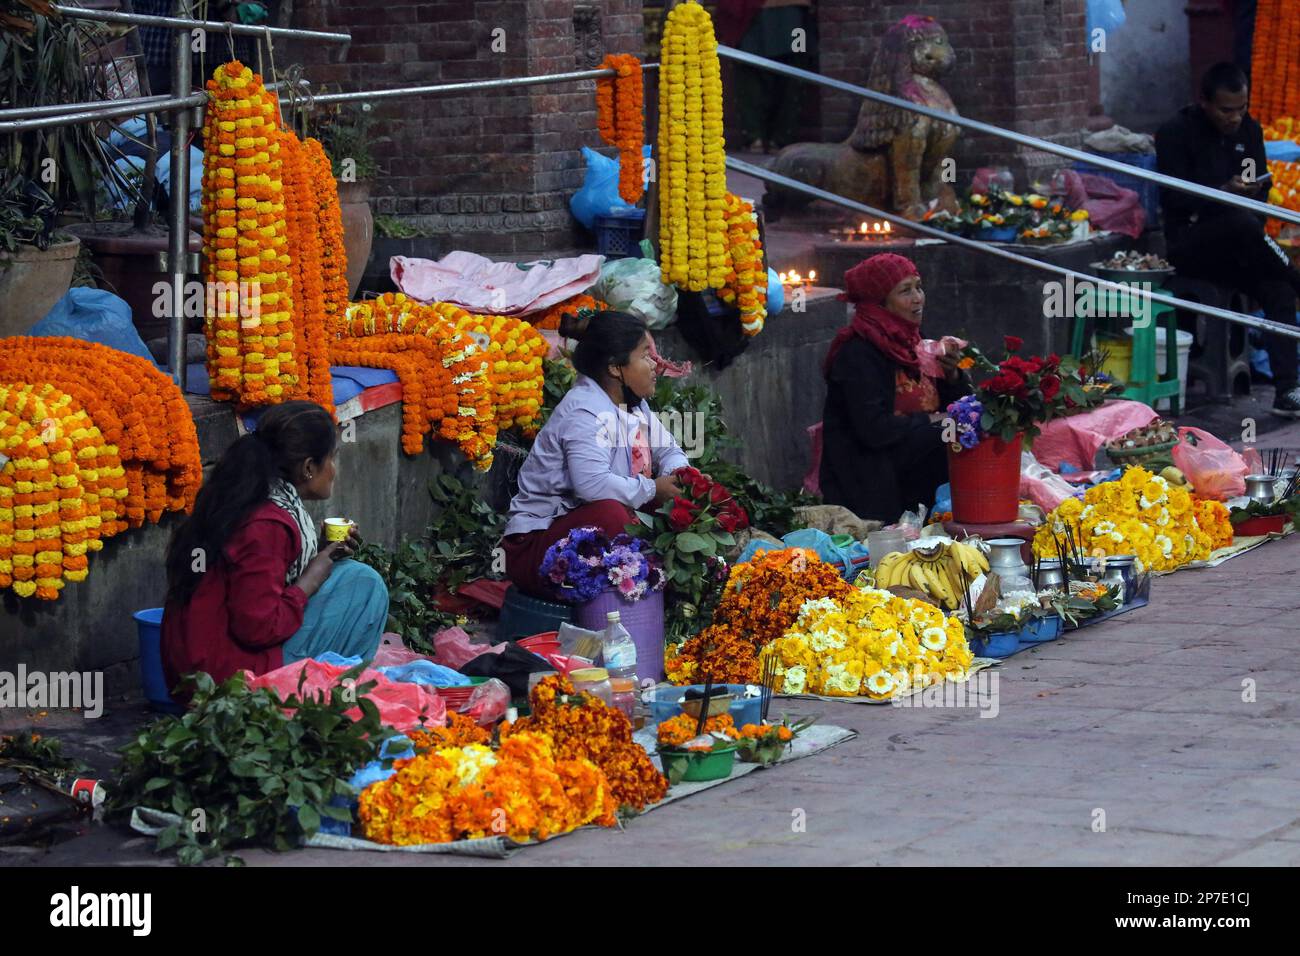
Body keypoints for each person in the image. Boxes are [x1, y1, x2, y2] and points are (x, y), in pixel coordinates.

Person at [162, 401, 388, 691]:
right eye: (332, 458)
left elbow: (257, 578)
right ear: (309, 467)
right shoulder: (268, 524)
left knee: (345, 572)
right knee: (363, 584)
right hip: (226, 680)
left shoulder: (247, 497)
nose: (334, 471)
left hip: (200, 666)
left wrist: (319, 555)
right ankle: (326, 701)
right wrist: (309, 580)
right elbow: (257, 628)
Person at [503, 311, 690, 598]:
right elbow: (592, 486)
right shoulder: (584, 410)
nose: (655, 365)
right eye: (645, 356)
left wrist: (681, 475)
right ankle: (655, 588)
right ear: (616, 368)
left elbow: (668, 449)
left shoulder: (632, 404)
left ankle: (680, 581)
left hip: (586, 519)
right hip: (535, 547)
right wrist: (653, 488)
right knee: (612, 513)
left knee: (686, 497)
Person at [1155, 61, 1300, 417]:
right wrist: (1221, 192)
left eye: (1241, 109)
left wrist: (1251, 193)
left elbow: (1261, 191)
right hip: (1191, 242)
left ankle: (1288, 390)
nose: (1234, 118)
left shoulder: (1249, 132)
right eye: (1226, 110)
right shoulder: (1176, 132)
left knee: (1277, 287)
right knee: (1238, 219)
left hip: (1241, 246)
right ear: (1204, 102)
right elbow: (1175, 200)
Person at [819, 253, 964, 522]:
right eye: (905, 291)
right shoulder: (858, 353)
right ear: (880, 303)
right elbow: (873, 429)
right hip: (872, 479)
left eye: (919, 287)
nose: (918, 298)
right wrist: (933, 421)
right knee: (948, 433)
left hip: (913, 463)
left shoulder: (914, 340)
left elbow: (957, 403)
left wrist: (952, 373)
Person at [717, 0, 815, 153]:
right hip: (753, 16)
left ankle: (782, 137)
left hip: (794, 14)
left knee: (795, 68)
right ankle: (754, 136)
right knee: (748, 72)